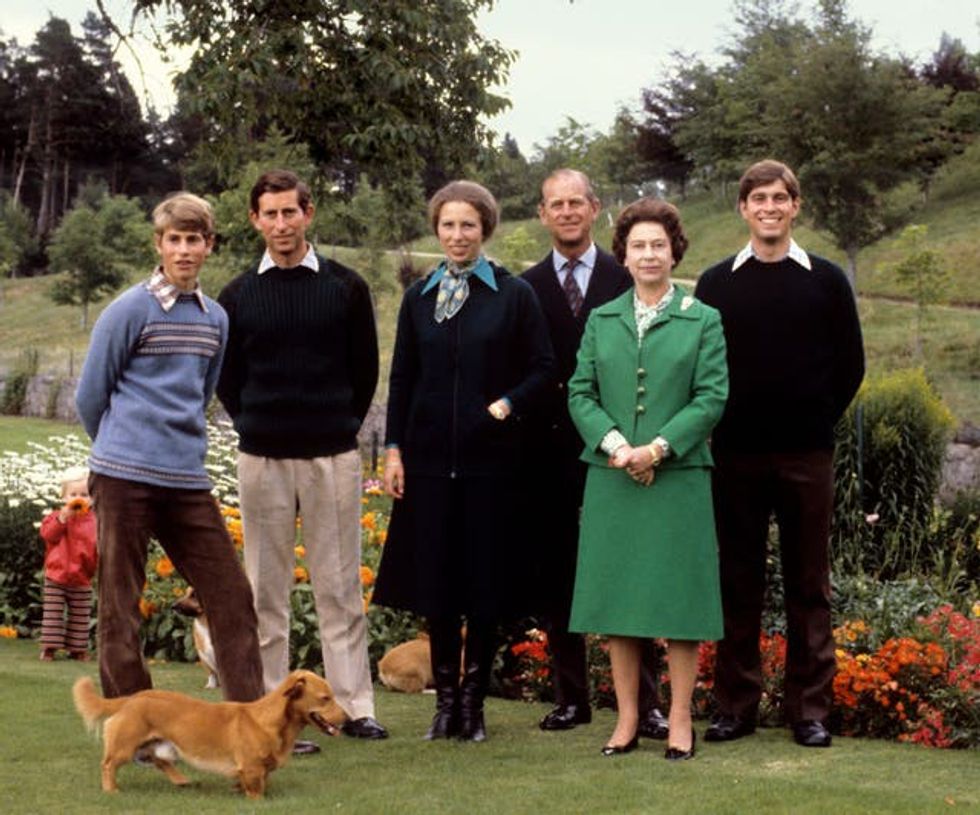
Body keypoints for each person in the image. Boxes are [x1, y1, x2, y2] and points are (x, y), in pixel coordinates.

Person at [372, 180, 554, 742]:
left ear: (485, 230)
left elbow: (544, 369)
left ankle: (474, 705)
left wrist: (503, 406)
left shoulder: (512, 293)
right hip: (427, 465)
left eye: (468, 226)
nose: (457, 235)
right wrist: (393, 449)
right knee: (439, 586)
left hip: (492, 466)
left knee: (483, 586)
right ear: (437, 230)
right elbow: (402, 378)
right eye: (448, 225)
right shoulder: (419, 297)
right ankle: (444, 702)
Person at [695, 159, 865, 748]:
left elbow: (851, 366)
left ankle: (810, 710)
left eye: (779, 197)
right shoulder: (716, 284)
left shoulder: (826, 280)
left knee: (809, 585)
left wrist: (813, 422)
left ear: (796, 205)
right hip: (735, 456)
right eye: (757, 198)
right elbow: (702, 369)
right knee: (736, 582)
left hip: (805, 456)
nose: (768, 207)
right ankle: (734, 707)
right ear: (742, 209)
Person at [216, 169, 386, 749]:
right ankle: (272, 714)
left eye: (291, 212)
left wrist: (338, 424)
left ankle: (354, 707)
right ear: (255, 220)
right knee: (266, 592)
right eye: (271, 214)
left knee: (339, 587)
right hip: (261, 456)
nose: (281, 224)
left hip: (330, 455)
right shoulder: (237, 295)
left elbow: (365, 370)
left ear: (308, 214)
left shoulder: (345, 287)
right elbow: (228, 379)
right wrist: (256, 422)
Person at [75, 192, 264, 703]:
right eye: (174, 240)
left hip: (186, 480)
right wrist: (120, 451)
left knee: (230, 594)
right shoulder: (129, 310)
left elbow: (200, 396)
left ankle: (250, 718)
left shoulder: (215, 319)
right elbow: (91, 395)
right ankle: (133, 724)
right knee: (120, 602)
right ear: (159, 245)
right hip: (123, 477)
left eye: (194, 240)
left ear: (209, 245)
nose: (184, 250)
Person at [568, 198, 728, 760]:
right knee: (619, 603)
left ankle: (680, 718)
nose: (649, 254)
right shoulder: (602, 317)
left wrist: (656, 449)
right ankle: (628, 719)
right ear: (625, 254)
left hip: (678, 477)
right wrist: (617, 448)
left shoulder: (702, 319)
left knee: (679, 604)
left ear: (674, 250)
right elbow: (579, 392)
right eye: (638, 245)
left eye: (658, 244)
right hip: (612, 477)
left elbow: (712, 397)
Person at [522, 169, 669, 739]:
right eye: (555, 204)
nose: (566, 212)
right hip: (550, 451)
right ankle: (571, 698)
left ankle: (649, 704)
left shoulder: (625, 274)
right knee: (561, 575)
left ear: (594, 208)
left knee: (634, 570)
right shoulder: (526, 285)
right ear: (542, 214)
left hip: (624, 449)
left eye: (575, 203)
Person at [38, 466, 98, 661]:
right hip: (57, 574)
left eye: (84, 494)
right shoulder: (57, 517)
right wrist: (63, 518)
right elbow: (47, 535)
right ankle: (49, 647)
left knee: (80, 615)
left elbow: (99, 544)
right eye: (73, 494)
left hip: (82, 575)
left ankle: (77, 648)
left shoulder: (95, 520)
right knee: (53, 614)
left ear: (92, 498)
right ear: (63, 497)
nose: (78, 498)